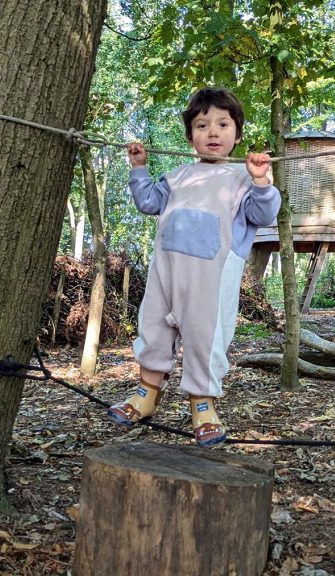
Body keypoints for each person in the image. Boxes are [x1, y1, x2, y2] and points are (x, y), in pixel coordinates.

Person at [107, 87, 281, 447]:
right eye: (202, 126)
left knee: (206, 339)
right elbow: (148, 203)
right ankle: (146, 395)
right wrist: (139, 169)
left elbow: (263, 215)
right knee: (153, 328)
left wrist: (263, 180)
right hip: (166, 269)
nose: (212, 132)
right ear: (190, 136)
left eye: (222, 124)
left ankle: (203, 405)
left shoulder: (243, 179)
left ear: (237, 134)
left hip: (211, 277)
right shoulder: (177, 175)